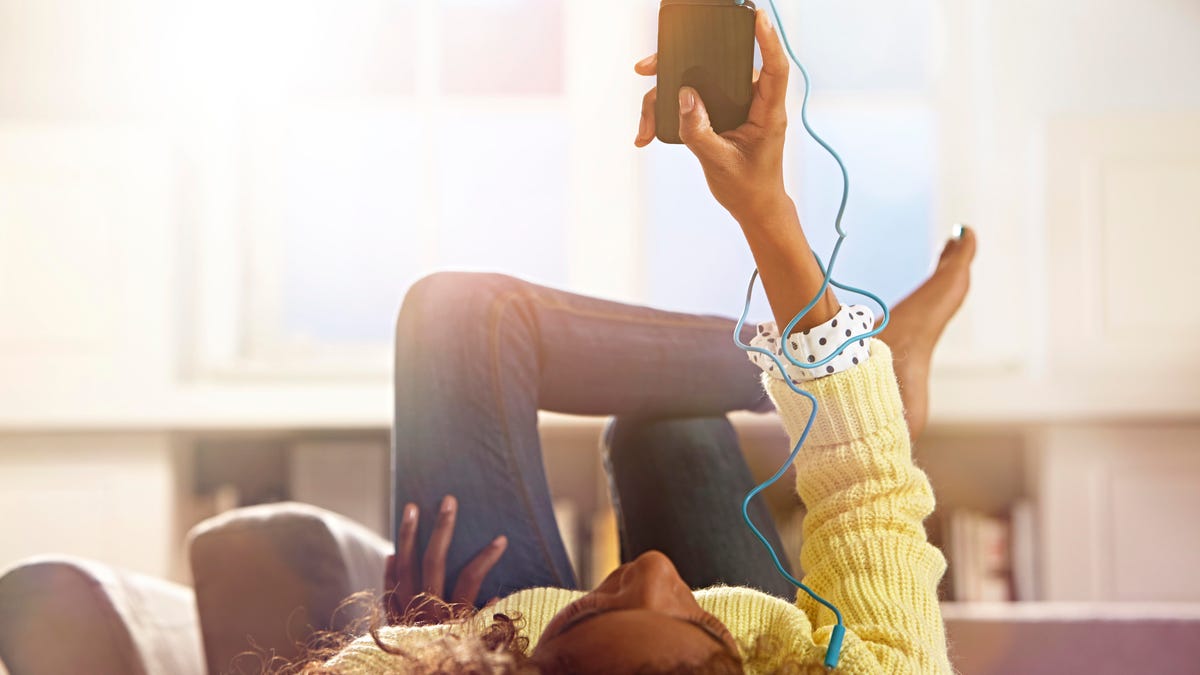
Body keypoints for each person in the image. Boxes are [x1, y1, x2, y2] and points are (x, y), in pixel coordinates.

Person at [318, 9, 975, 674]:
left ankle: (842, 367)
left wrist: (440, 650)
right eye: (709, 631)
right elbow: (867, 494)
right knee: (670, 428)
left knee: (455, 318)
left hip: (485, 631)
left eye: (594, 612)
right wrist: (763, 205)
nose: (652, 569)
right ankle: (857, 368)